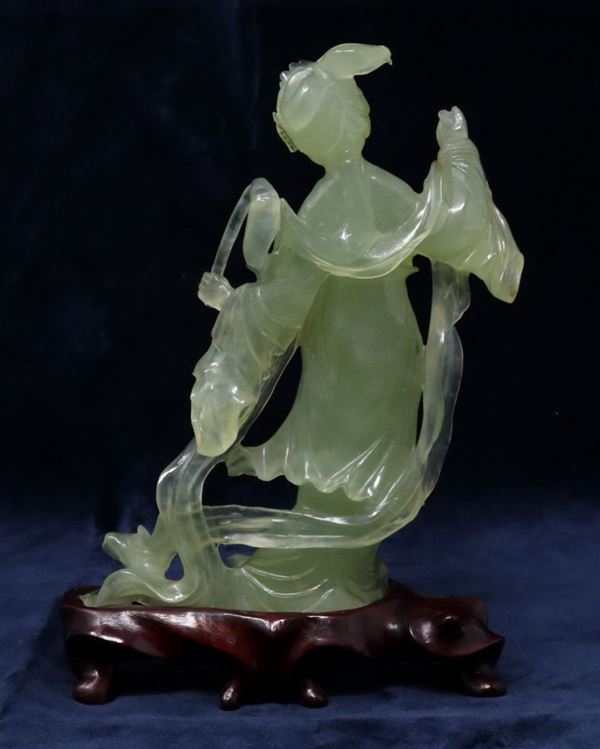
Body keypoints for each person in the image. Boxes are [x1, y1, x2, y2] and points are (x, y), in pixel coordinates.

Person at [91, 43, 523, 611]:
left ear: (300, 138)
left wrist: (231, 303)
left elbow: (281, 304)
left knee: (336, 467)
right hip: (393, 352)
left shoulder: (321, 206)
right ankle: (337, 574)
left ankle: (318, 578)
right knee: (353, 472)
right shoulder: (383, 188)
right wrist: (457, 152)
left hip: (347, 360)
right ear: (359, 116)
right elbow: (453, 227)